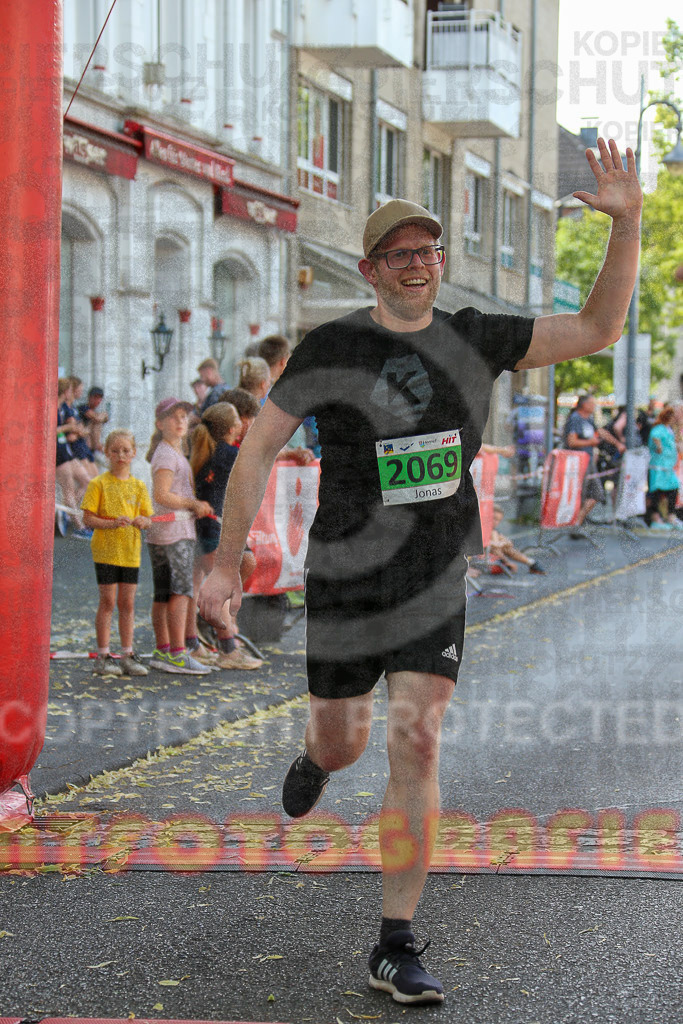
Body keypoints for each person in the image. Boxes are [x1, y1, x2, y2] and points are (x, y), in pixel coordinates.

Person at [199, 139, 642, 1005]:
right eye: (399, 253)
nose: (416, 264)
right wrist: (223, 563)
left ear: (440, 261)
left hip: (433, 573)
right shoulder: (331, 346)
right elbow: (254, 453)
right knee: (345, 738)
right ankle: (317, 761)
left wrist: (626, 225)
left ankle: (393, 944)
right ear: (371, 268)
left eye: (427, 250)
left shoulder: (477, 338)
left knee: (416, 737)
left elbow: (598, 329)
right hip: (345, 575)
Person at [189, 402, 262, 670]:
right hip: (212, 527)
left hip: (203, 526)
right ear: (234, 427)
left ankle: (191, 643)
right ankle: (228, 649)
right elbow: (259, 460)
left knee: (195, 585)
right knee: (218, 585)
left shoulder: (205, 449)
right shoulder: (228, 453)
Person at [145, 397, 214, 676]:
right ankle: (177, 652)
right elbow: (161, 495)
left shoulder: (170, 452)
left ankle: (163, 650)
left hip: (167, 531)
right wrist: (193, 504)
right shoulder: (166, 455)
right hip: (173, 533)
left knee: (164, 594)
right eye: (174, 417)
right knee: (180, 592)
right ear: (160, 424)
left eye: (184, 416)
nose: (181, 421)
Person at [81, 430, 154, 676]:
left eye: (126, 450)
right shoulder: (98, 484)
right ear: (106, 452)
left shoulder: (139, 486)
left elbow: (148, 517)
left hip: (130, 553)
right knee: (108, 602)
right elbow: (88, 518)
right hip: (105, 553)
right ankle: (103, 656)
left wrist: (144, 521)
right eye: (115, 450)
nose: (121, 455)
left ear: (134, 453)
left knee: (128, 603)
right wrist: (112, 523)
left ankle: (127, 655)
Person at [562, 395, 624, 537]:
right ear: (584, 404)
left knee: (595, 493)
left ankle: (577, 522)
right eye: (592, 403)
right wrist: (591, 442)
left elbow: (601, 433)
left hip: (587, 461)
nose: (595, 405)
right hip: (577, 461)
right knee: (586, 493)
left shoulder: (588, 419)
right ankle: (575, 524)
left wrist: (617, 443)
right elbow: (571, 441)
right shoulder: (575, 419)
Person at [56, 378, 92, 534]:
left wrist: (72, 428)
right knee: (68, 489)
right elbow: (53, 429)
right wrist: (69, 427)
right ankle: (79, 526)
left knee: (87, 481)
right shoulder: (57, 407)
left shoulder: (63, 408)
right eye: (70, 390)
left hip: (65, 450)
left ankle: (66, 513)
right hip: (59, 450)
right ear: (66, 391)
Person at [644, 406, 682, 530]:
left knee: (673, 488)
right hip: (658, 467)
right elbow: (655, 436)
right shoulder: (659, 428)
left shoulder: (668, 429)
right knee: (656, 492)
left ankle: (670, 516)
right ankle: (655, 519)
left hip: (667, 467)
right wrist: (659, 446)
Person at [488, 505, 545, 573]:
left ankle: (531, 562)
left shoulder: (493, 530)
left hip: (492, 557)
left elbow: (509, 543)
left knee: (505, 546)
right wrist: (506, 560)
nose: (496, 522)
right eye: (494, 518)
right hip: (482, 559)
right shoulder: (483, 529)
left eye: (498, 520)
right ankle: (506, 563)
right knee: (496, 539)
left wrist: (501, 544)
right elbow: (494, 547)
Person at [78, 385, 109, 454]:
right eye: (95, 397)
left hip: (90, 440)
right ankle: (97, 445)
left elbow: (105, 418)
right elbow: (97, 418)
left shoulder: (97, 412)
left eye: (99, 398)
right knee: (95, 422)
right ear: (89, 397)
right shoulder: (83, 407)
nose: (97, 400)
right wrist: (104, 415)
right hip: (82, 437)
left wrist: (104, 415)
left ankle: (97, 446)